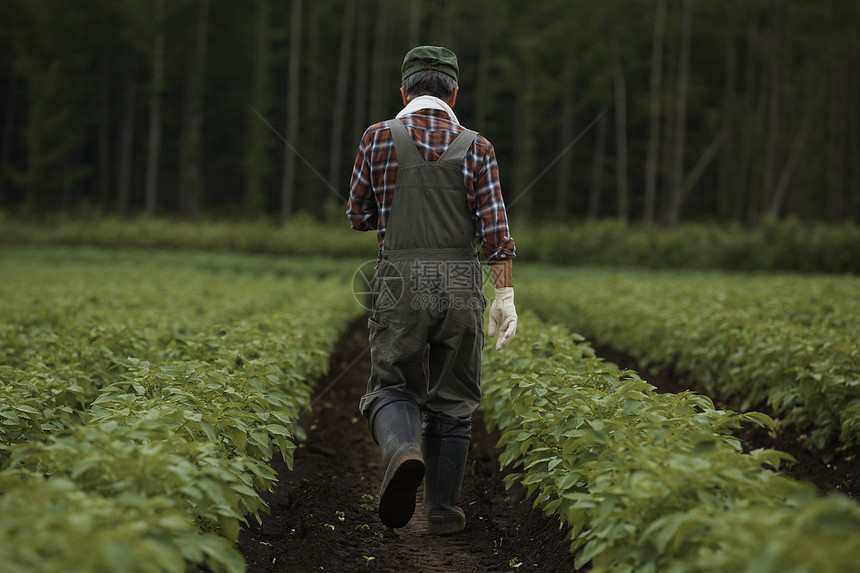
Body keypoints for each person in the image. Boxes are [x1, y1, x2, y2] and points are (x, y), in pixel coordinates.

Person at [346, 45, 518, 535]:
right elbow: (496, 235)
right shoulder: (477, 146)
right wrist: (504, 296)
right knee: (455, 399)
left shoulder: (378, 138)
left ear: (404, 90)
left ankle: (403, 450)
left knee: (391, 386)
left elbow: (357, 216)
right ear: (454, 92)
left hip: (400, 282)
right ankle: (443, 511)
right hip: (462, 284)